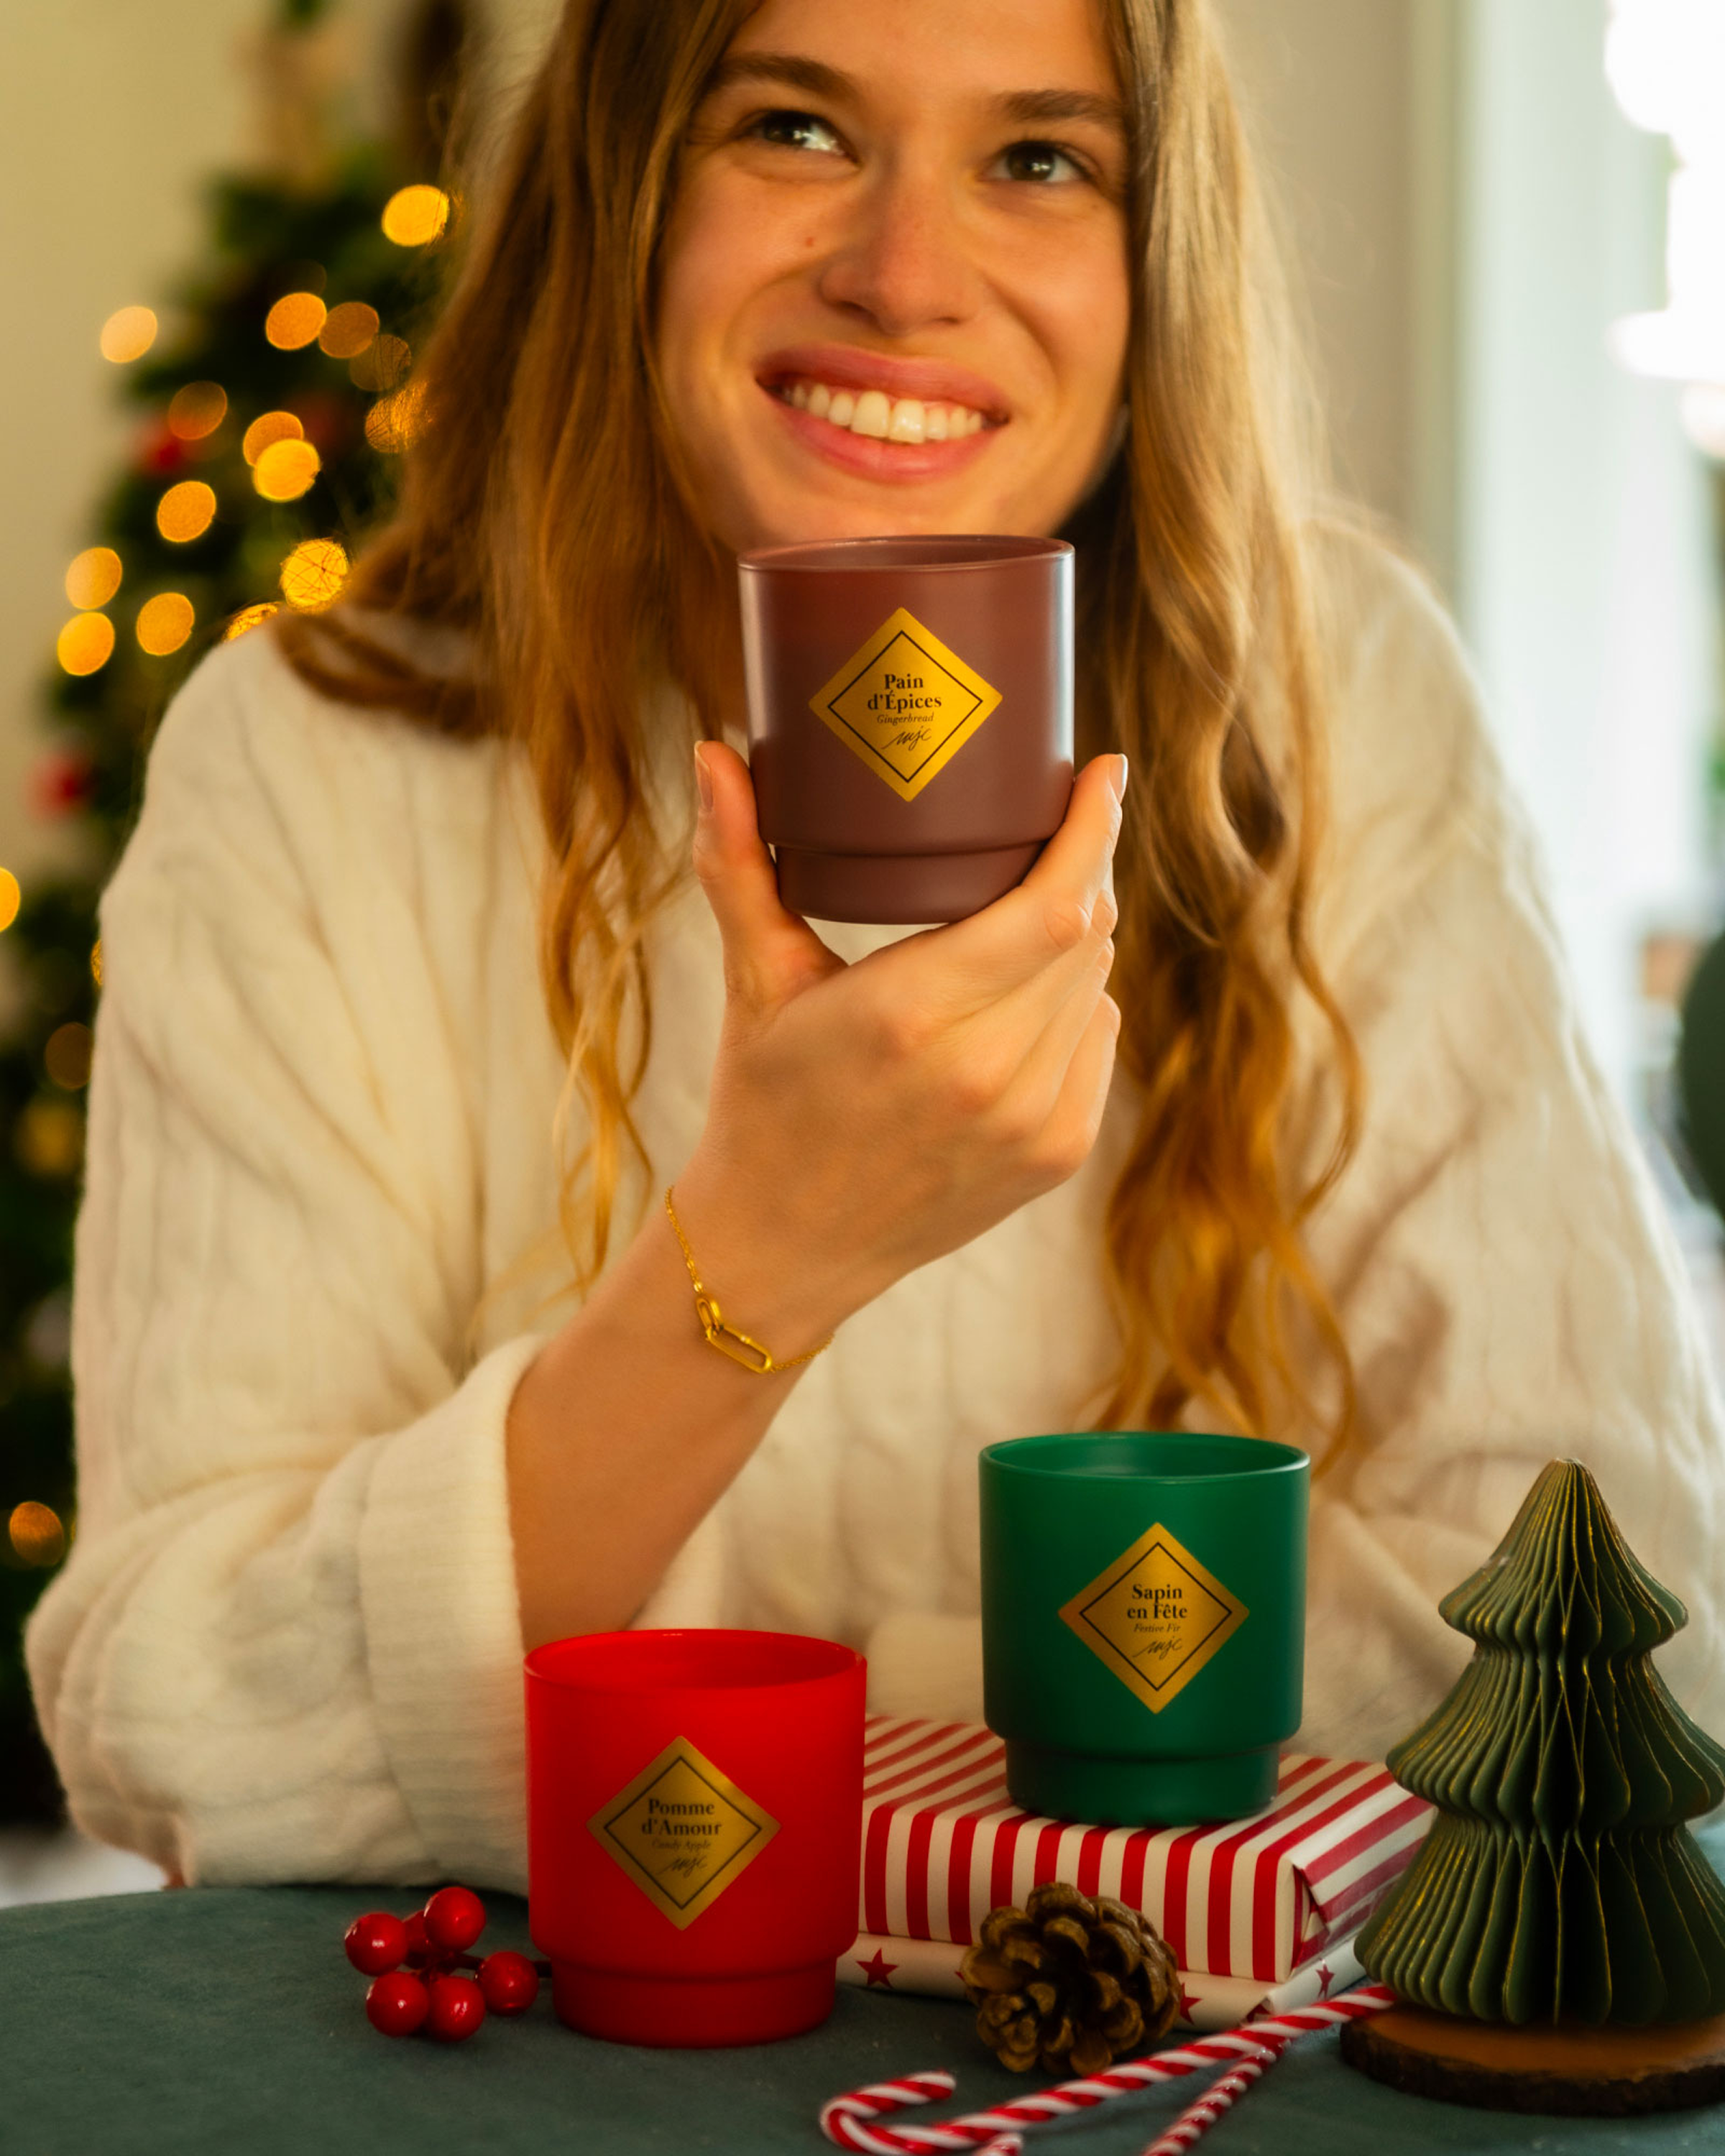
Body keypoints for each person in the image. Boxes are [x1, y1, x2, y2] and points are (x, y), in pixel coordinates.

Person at [27, 0, 1725, 1892]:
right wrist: (763, 1254)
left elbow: (1622, 1626)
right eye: (795, 130)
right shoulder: (314, 762)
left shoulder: (1341, 712)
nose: (907, 276)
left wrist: (834, 1702)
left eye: (1040, 159)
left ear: (1154, 258)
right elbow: (171, 1712)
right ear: (622, 195)